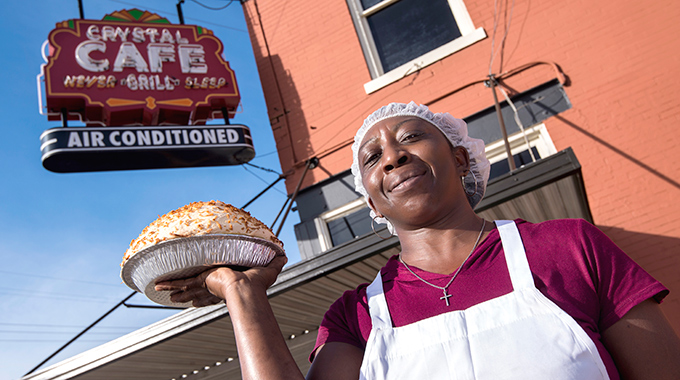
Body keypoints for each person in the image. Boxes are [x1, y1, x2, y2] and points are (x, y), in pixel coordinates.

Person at [155, 102, 680, 379]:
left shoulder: (569, 248)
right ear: (371, 202)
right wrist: (245, 299)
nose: (392, 156)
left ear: (458, 157)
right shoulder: (356, 315)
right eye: (372, 157)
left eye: (410, 137)